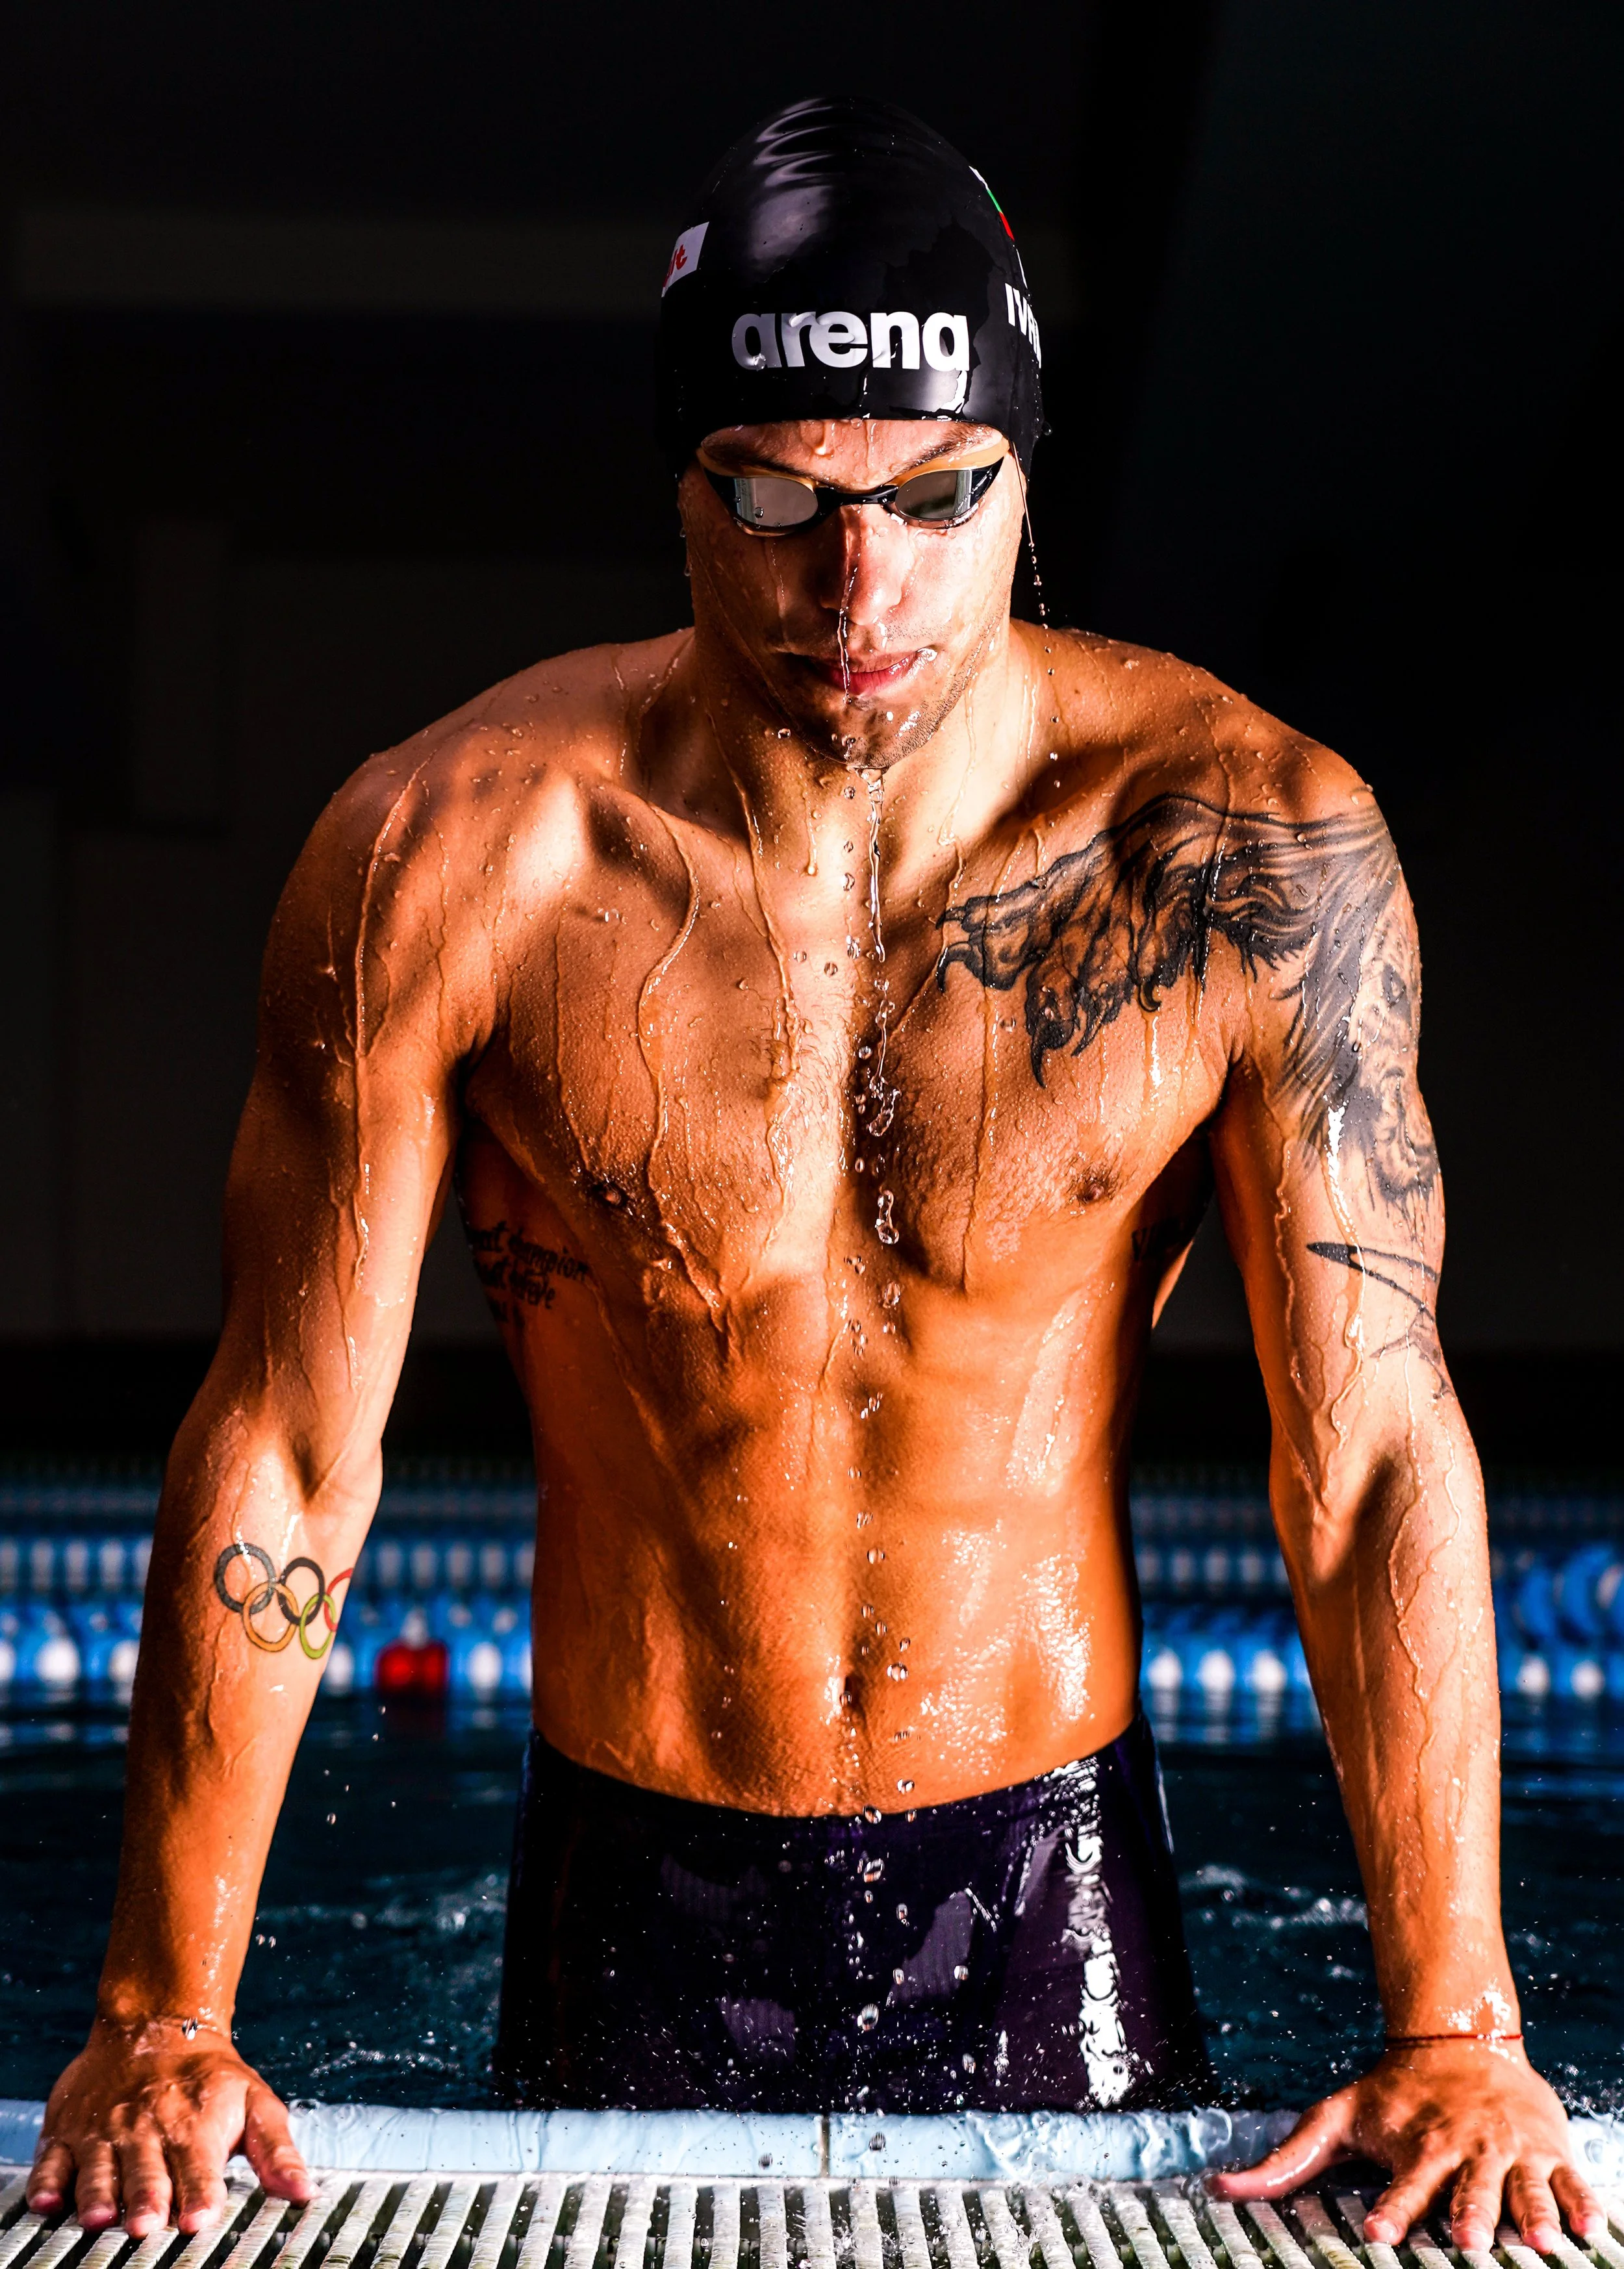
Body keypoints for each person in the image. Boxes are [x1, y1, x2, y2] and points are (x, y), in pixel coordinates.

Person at [31, 94, 1599, 2253]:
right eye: (774, 501)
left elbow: (1374, 1466)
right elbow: (294, 1455)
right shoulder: (452, 860)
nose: (855, 587)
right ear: (680, 483)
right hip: (634, 1867)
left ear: (1023, 473)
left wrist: (1454, 2015)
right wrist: (158, 2005)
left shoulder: (1241, 852)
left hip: (1045, 1869)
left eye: (933, 501)